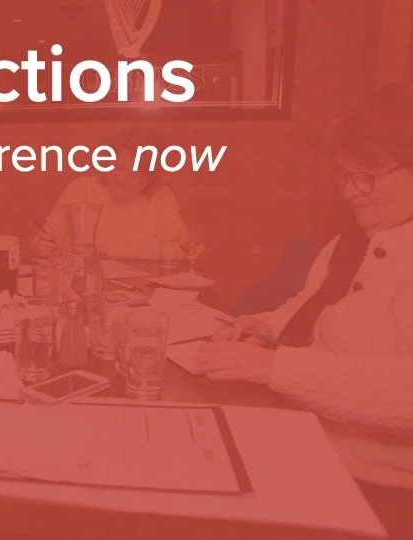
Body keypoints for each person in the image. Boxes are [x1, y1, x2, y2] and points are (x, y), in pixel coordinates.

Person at [195, 83, 413, 537]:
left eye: (366, 176)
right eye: (344, 176)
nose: (351, 192)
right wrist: (266, 325)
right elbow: (311, 304)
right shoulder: (353, 239)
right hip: (308, 440)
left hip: (378, 490)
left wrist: (274, 367)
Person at [31, 128, 187, 260]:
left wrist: (110, 249)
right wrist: (40, 246)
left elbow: (178, 250)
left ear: (149, 179)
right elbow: (49, 238)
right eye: (117, 167)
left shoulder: (161, 198)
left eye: (134, 175)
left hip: (143, 284)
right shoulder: (80, 189)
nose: (122, 179)